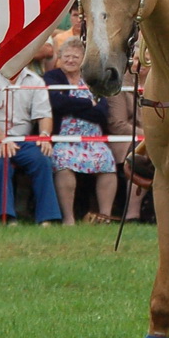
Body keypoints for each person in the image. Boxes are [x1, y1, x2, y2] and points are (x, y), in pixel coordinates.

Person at [0, 48, 62, 225]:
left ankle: (47, 218)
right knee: (1, 161)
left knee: (42, 159)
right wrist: (1, 138)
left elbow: (44, 114)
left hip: (23, 140)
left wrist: (44, 135)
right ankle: (7, 216)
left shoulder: (36, 80)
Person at [46, 37, 118, 224]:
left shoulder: (92, 80)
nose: (70, 60)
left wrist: (73, 106)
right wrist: (88, 103)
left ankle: (105, 216)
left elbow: (102, 113)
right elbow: (56, 104)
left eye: (76, 57)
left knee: (107, 161)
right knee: (63, 162)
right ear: (60, 57)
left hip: (93, 139)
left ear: (83, 59)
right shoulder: (52, 78)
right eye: (67, 56)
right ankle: (68, 218)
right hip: (64, 139)